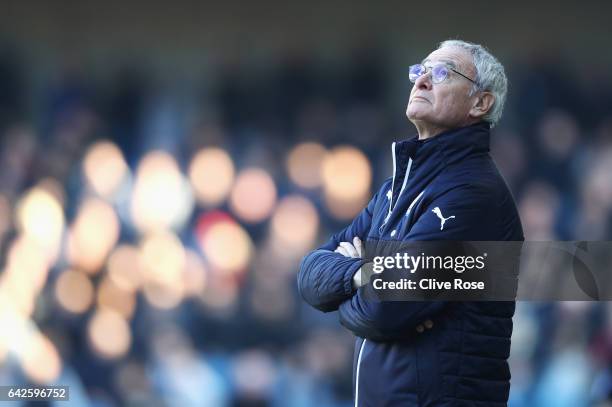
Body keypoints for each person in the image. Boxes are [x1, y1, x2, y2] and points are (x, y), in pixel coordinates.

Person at [298, 40, 524, 406]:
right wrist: (364, 274)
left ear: (481, 103)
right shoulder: (392, 192)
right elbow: (309, 275)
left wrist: (356, 282)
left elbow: (383, 309)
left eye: (442, 73)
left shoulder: (474, 196)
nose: (421, 81)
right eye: (419, 71)